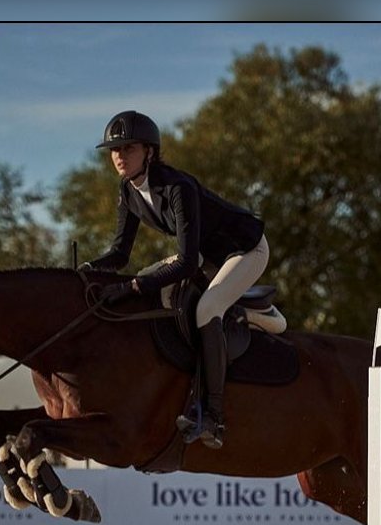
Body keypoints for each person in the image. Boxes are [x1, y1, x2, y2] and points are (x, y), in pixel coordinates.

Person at [79, 110, 269, 450]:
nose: (119, 156)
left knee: (206, 308)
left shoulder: (177, 187)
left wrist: (132, 286)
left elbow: (183, 263)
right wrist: (88, 271)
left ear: (149, 151)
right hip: (207, 256)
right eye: (114, 150)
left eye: (129, 148)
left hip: (245, 249)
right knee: (153, 284)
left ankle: (213, 416)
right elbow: (120, 254)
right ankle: (243, 311)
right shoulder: (128, 192)